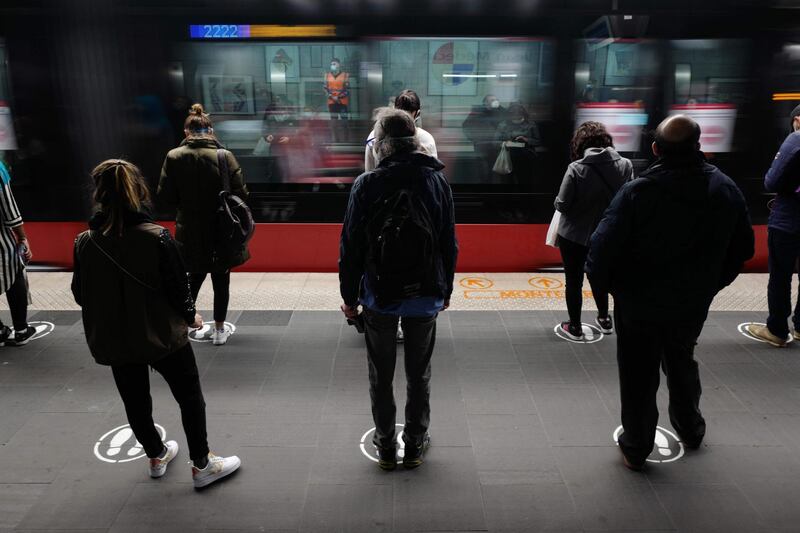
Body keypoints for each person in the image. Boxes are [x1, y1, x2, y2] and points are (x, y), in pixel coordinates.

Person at [586, 115, 754, 470]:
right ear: (699, 147)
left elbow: (599, 252)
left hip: (638, 303)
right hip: (691, 301)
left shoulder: (637, 192)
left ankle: (636, 446)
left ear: (655, 149)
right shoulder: (724, 188)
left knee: (637, 373)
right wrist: (710, 284)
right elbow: (743, 249)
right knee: (681, 358)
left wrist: (613, 291)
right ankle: (691, 428)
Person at [71, 159, 241, 489]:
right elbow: (180, 290)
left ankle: (155, 455)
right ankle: (202, 464)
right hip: (163, 337)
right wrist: (192, 316)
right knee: (189, 396)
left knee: (135, 401)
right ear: (139, 192)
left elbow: (80, 295)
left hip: (116, 339)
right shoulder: (158, 237)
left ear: (99, 194)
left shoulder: (84, 242)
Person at [339, 109, 458, 471]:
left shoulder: (367, 184)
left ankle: (387, 445)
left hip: (379, 295)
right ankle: (417, 443)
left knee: (381, 373)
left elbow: (351, 248)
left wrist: (349, 299)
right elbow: (448, 244)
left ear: (382, 146)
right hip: (425, 294)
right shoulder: (437, 182)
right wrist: (446, 289)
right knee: (419, 372)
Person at [158, 103, 249, 346]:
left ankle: (183, 323)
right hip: (221, 229)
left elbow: (166, 196)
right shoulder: (224, 156)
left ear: (186, 132)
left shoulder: (173, 156)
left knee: (192, 278)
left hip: (189, 230)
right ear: (210, 130)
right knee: (221, 281)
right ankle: (219, 331)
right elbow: (241, 194)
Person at [554, 121, 632, 340]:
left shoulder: (576, 168)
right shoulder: (625, 165)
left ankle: (575, 326)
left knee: (574, 280)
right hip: (610, 234)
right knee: (603, 276)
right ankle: (605, 318)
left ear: (579, 144)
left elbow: (563, 205)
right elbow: (630, 198)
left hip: (575, 236)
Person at [746, 105, 800, 346]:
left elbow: (772, 181)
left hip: (789, 220)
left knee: (780, 275)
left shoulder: (796, 139)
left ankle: (777, 329)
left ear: (797, 120)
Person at [0, 160, 34, 345]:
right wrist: (22, 237)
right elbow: (9, 210)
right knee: (15, 276)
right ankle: (21, 330)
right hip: (1, 244)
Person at [365, 89, 437, 172]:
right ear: (418, 113)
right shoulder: (426, 138)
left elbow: (369, 171)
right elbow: (433, 174)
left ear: (394, 109)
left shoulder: (374, 136)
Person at [495, 102, 543, 183]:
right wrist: (504, 143)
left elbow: (538, 141)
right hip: (508, 157)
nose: (516, 118)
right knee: (507, 181)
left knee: (525, 180)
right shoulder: (503, 125)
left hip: (526, 157)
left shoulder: (531, 124)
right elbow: (495, 141)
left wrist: (526, 140)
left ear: (523, 114)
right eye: (513, 116)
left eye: (519, 116)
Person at [462, 94, 507, 177]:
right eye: (492, 100)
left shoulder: (502, 112)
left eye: (496, 99)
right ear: (485, 103)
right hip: (481, 145)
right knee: (482, 167)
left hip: (496, 145)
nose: (495, 102)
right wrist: (474, 138)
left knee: (495, 167)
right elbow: (466, 126)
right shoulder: (477, 112)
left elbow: (507, 126)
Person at [324, 58, 350, 142]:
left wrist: (338, 97)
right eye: (332, 64)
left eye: (334, 64)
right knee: (334, 123)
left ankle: (346, 140)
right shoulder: (327, 75)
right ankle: (336, 140)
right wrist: (332, 97)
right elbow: (325, 88)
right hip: (332, 102)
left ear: (339, 65)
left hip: (342, 102)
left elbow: (347, 89)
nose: (332, 66)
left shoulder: (345, 75)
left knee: (344, 122)